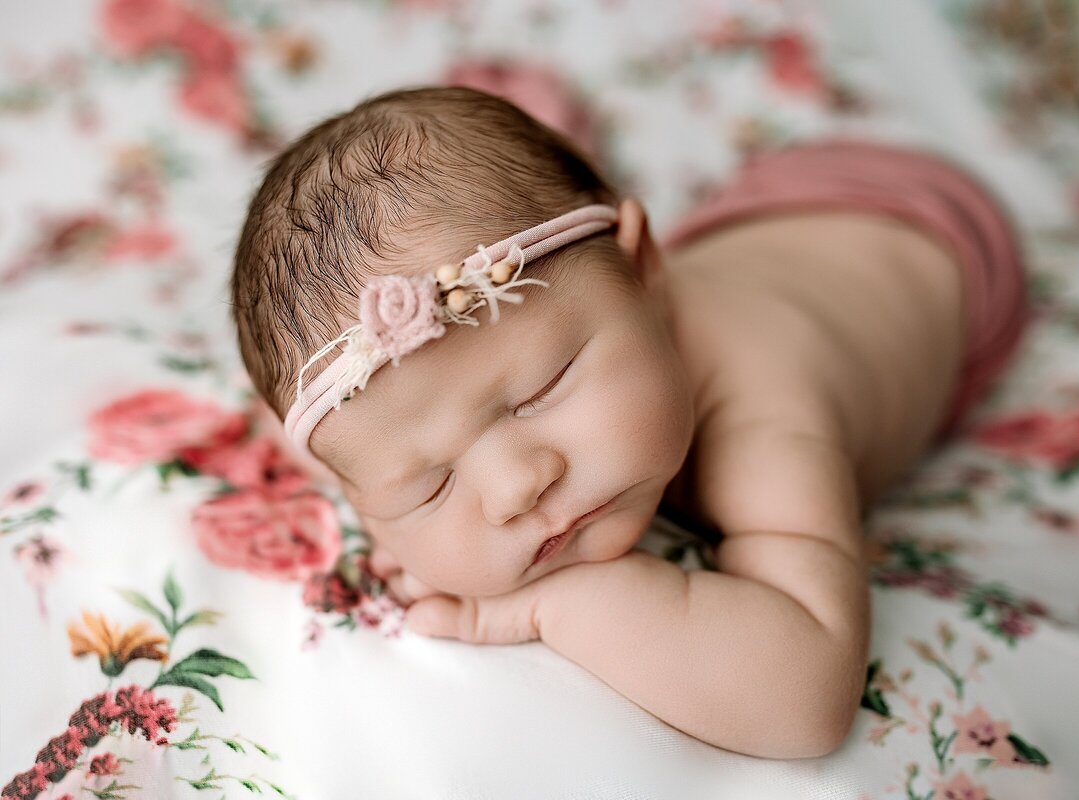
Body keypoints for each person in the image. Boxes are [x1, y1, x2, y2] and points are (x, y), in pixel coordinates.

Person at [229, 84, 1027, 760]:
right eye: (429, 483)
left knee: (563, 244)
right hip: (718, 237)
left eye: (541, 392)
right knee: (549, 244)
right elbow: (348, 440)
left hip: (925, 230)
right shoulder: (420, 402)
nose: (516, 487)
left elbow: (806, 699)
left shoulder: (766, 410)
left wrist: (552, 605)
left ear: (647, 273)